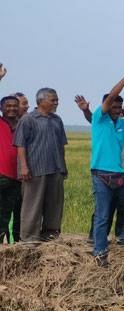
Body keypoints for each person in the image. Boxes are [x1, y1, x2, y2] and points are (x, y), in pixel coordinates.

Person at [87, 65, 124, 265]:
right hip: (101, 174)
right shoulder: (100, 118)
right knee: (103, 215)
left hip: (120, 174)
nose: (116, 108)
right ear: (107, 105)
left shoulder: (123, 124)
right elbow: (113, 94)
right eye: (112, 105)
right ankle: (99, 251)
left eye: (118, 107)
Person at [14, 87, 68, 244]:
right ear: (41, 101)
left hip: (56, 169)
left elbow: (61, 145)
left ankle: (50, 235)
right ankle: (29, 238)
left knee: (54, 204)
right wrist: (24, 167)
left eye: (56, 99)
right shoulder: (28, 119)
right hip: (35, 170)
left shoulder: (57, 119)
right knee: (32, 205)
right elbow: (20, 145)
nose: (56, 102)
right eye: (53, 100)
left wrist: (63, 167)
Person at [0, 94, 21, 243]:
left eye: (15, 106)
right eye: (8, 106)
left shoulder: (23, 124)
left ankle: (15, 244)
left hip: (18, 177)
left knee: (11, 213)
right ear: (1, 108)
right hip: (1, 175)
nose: (12, 108)